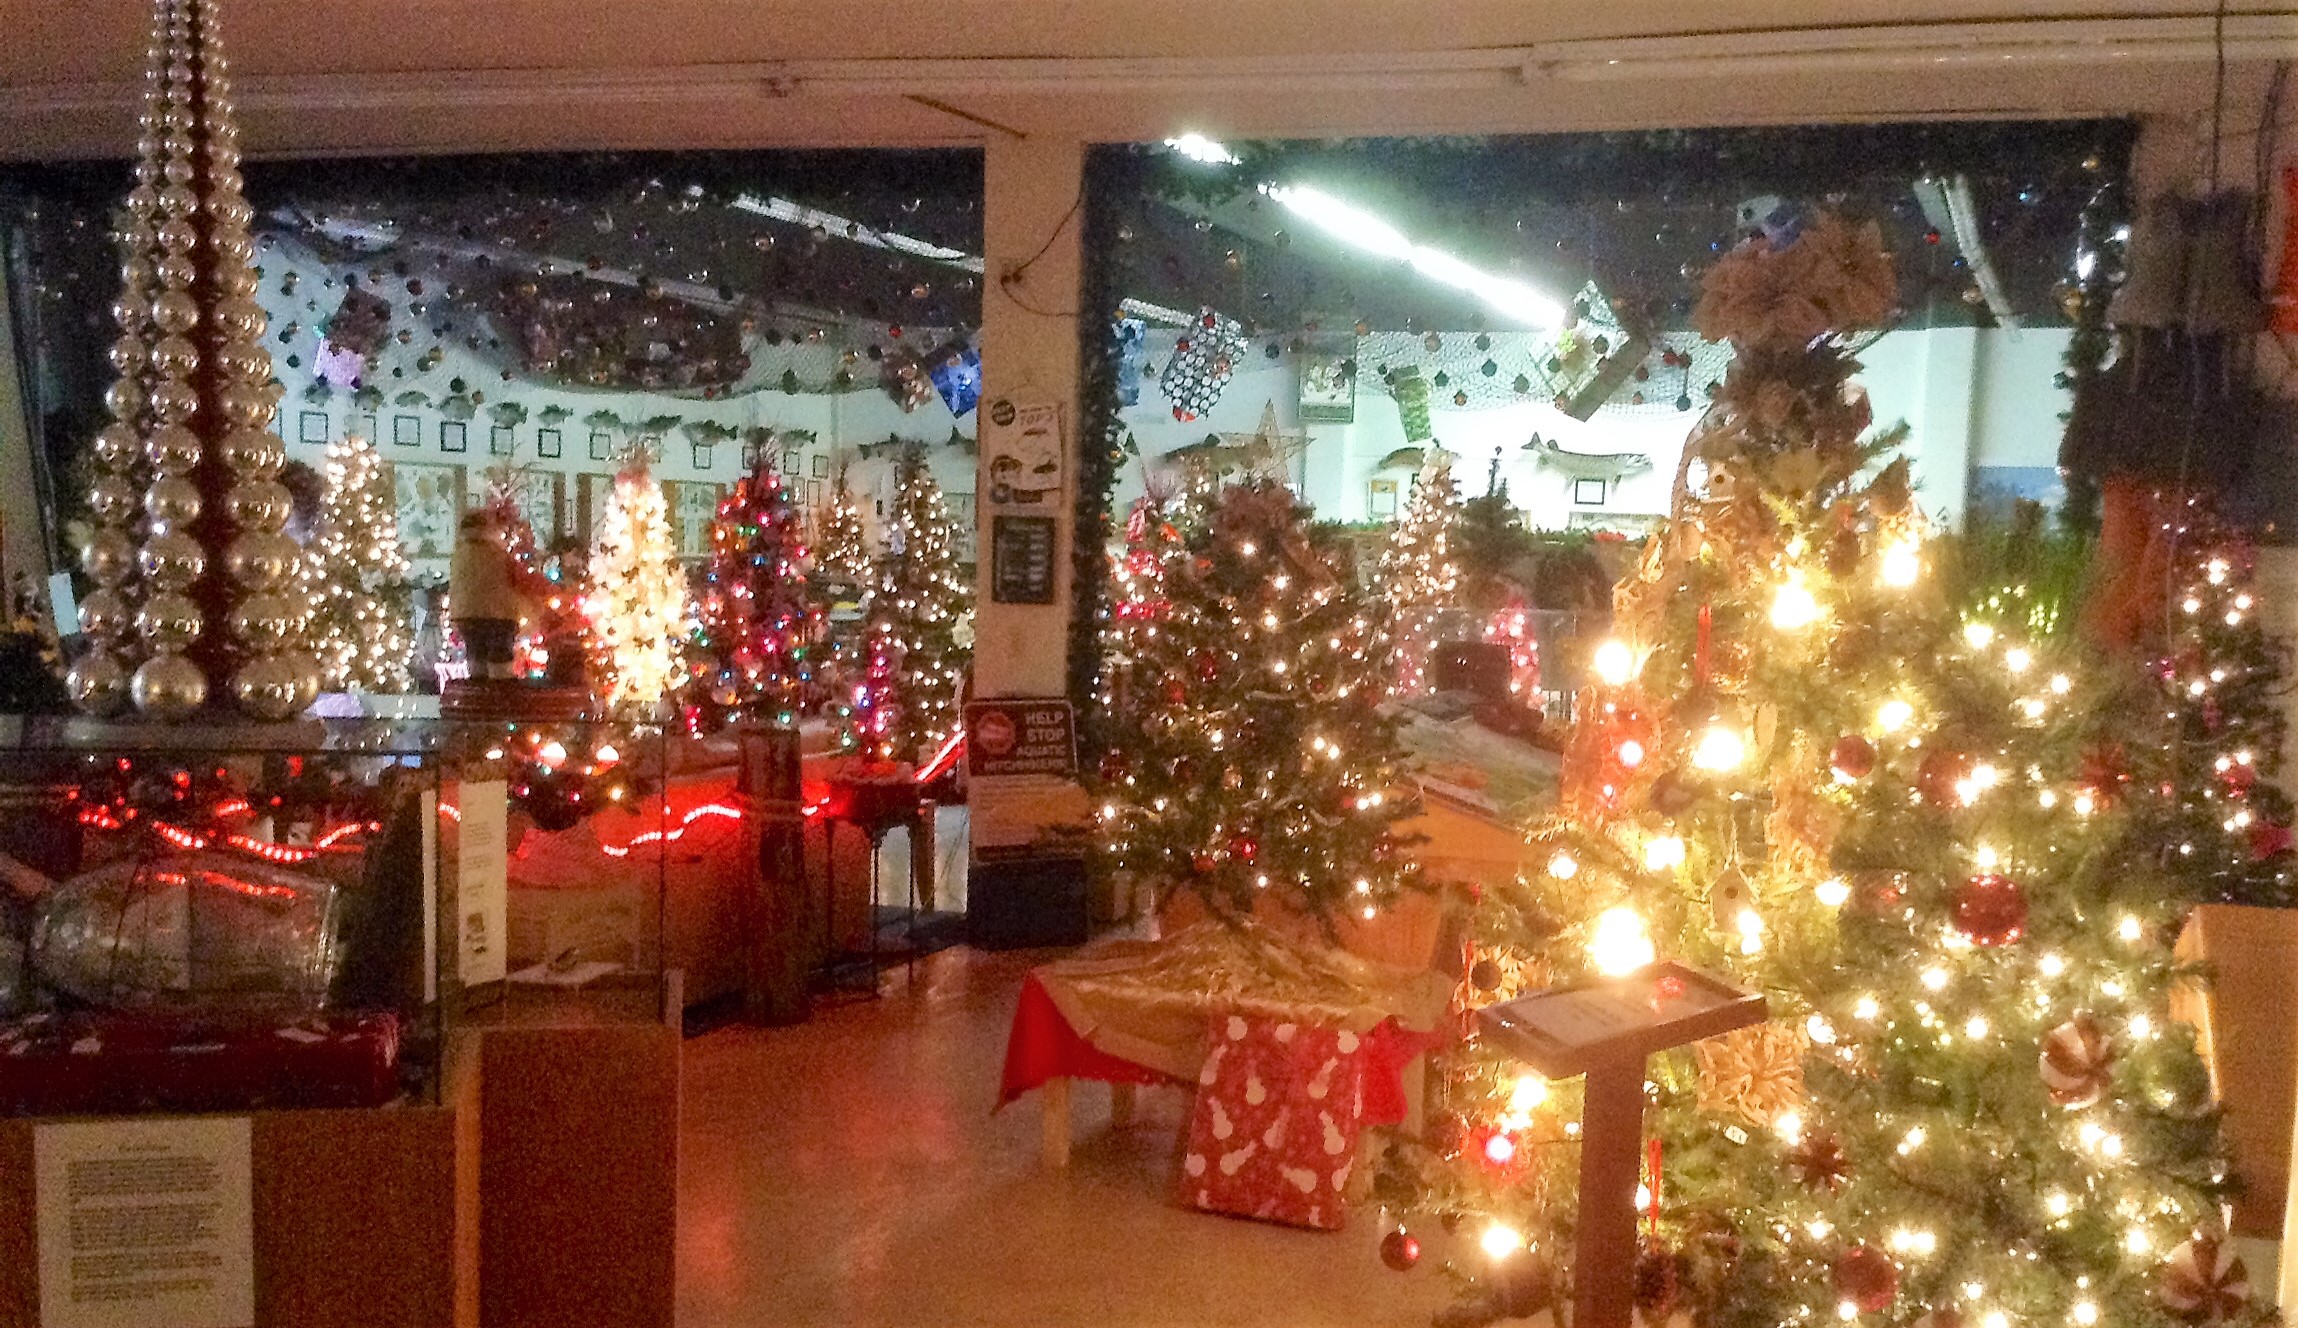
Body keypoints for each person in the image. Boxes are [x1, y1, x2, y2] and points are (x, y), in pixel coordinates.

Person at [448, 509, 537, 681]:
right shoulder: (497, 555)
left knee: (476, 655)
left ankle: (478, 694)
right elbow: (521, 579)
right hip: (497, 615)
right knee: (500, 658)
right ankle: (500, 693)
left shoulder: (459, 555)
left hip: (465, 615)